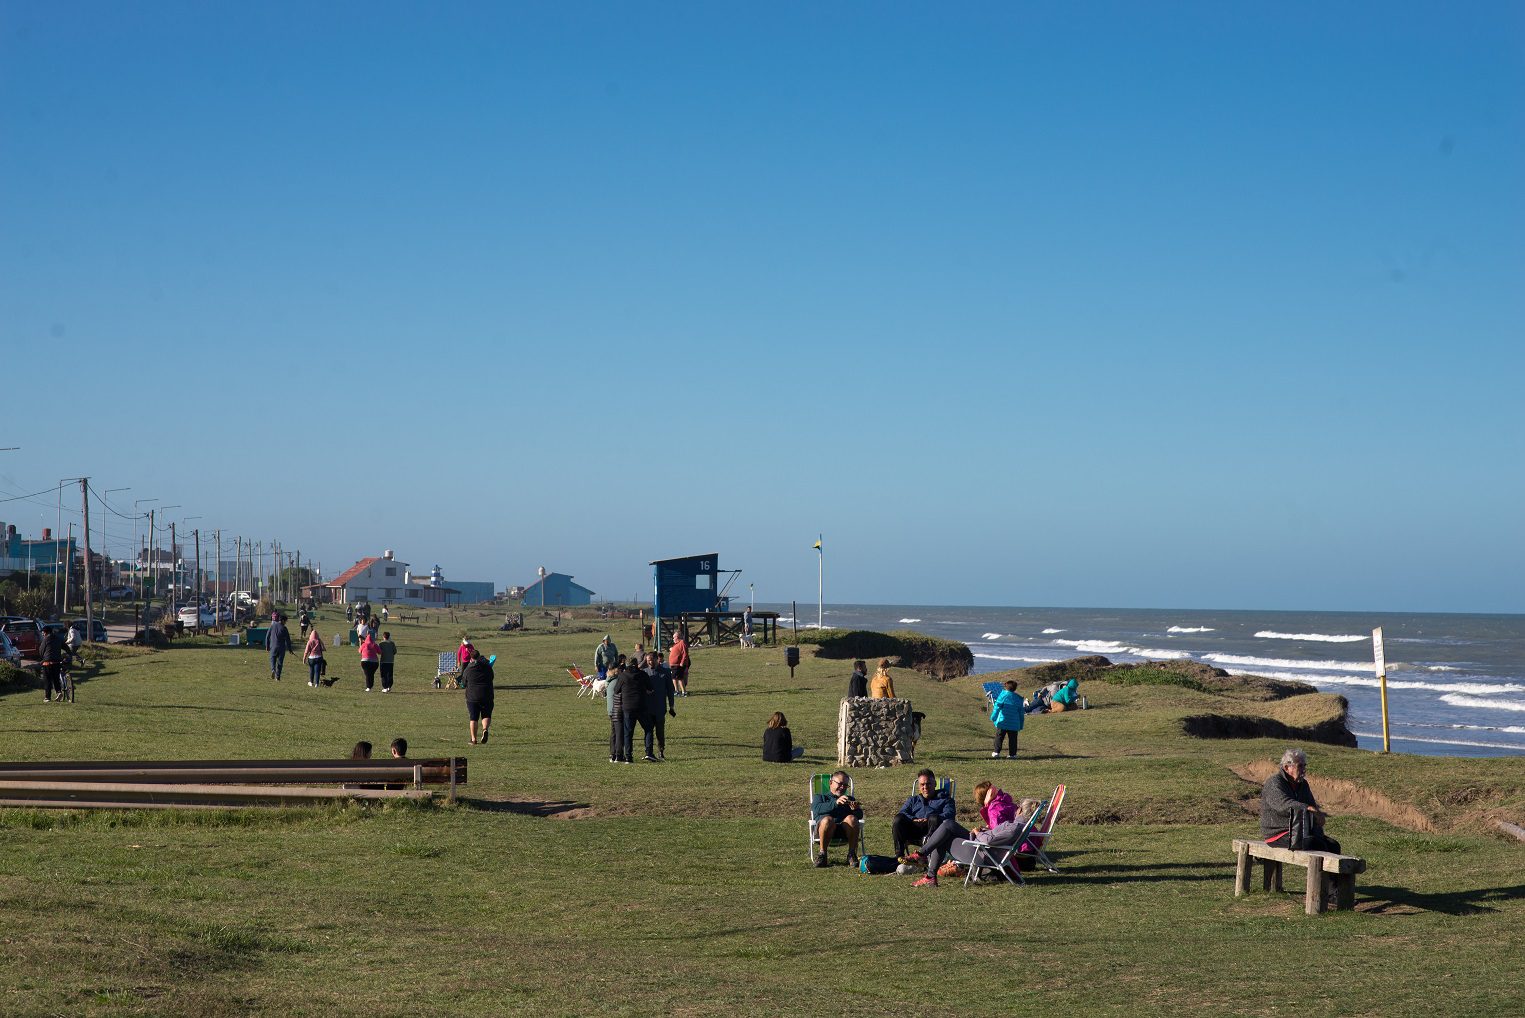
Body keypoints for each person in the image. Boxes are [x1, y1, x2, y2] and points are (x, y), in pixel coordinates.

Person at [1260, 748, 1341, 853]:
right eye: (1300, 766)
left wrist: (1318, 817)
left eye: (1304, 765)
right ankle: (1316, 870)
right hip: (1278, 833)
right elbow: (1283, 804)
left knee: (1333, 846)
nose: (1304, 770)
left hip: (1299, 831)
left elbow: (1312, 805)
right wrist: (1307, 808)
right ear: (1286, 767)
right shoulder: (1274, 783)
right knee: (1316, 845)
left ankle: (1324, 870)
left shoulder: (1303, 784)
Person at [893, 769, 957, 860]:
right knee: (898, 819)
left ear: (935, 784)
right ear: (919, 786)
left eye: (928, 784)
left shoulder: (946, 800)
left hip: (934, 832)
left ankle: (924, 854)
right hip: (914, 830)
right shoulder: (913, 800)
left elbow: (950, 814)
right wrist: (913, 819)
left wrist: (930, 819)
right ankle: (899, 856)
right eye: (922, 784)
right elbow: (902, 812)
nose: (925, 787)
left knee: (934, 818)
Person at [810, 770, 862, 868]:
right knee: (827, 820)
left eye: (845, 785)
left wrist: (855, 810)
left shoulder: (849, 799)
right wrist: (835, 803)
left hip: (844, 831)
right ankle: (822, 855)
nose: (842, 787)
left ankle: (851, 855)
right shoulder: (820, 797)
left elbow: (859, 816)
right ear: (830, 783)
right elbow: (816, 809)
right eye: (840, 784)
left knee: (852, 818)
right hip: (824, 831)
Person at [638, 653, 676, 762]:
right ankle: (648, 752)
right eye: (648, 660)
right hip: (647, 708)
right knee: (648, 731)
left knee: (660, 732)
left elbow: (670, 690)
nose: (650, 662)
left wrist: (671, 706)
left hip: (660, 708)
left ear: (656, 659)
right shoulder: (644, 672)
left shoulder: (665, 672)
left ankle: (661, 751)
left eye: (651, 660)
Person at [460, 647, 495, 745]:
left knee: (473, 718)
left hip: (472, 696)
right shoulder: (487, 667)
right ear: (479, 657)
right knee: (486, 715)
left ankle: (473, 739)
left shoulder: (468, 669)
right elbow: (492, 677)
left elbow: (464, 683)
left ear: (471, 658)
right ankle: (485, 729)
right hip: (487, 695)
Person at [614, 660, 645, 763]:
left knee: (628, 732)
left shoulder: (623, 676)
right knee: (648, 728)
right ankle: (649, 752)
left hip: (627, 707)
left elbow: (616, 690)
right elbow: (650, 687)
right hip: (641, 706)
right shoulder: (642, 674)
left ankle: (628, 757)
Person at [989, 679, 1025, 758]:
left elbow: (997, 707)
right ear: (1015, 688)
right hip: (1014, 724)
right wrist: (1021, 724)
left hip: (1003, 722)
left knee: (999, 737)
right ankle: (1012, 754)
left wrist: (993, 717)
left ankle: (996, 752)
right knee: (1013, 739)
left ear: (1005, 687)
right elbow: (1021, 713)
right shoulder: (1018, 699)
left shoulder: (1002, 696)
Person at [38, 625, 69, 703]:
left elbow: (41, 651)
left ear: (45, 632)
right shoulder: (58, 639)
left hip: (47, 662)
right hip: (57, 662)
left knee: (47, 680)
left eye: (43, 632)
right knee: (56, 679)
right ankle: (59, 692)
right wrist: (69, 653)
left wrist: (43, 657)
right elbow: (65, 647)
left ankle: (47, 697)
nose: (42, 634)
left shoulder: (45, 640)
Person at [605, 657, 627, 763]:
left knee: (613, 732)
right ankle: (619, 754)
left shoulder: (608, 681)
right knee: (619, 732)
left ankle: (612, 754)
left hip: (610, 710)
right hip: (617, 709)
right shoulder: (617, 681)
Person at [266, 612, 292, 682]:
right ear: (283, 620)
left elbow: (267, 636)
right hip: (281, 648)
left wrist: (267, 646)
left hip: (273, 647)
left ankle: (273, 669)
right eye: (286, 621)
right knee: (280, 663)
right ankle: (278, 677)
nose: (286, 623)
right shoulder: (284, 628)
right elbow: (288, 640)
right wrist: (290, 649)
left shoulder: (272, 626)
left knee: (272, 659)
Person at [668, 628, 690, 697]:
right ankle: (677, 691)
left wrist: (682, 662)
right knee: (674, 678)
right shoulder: (676, 644)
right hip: (673, 664)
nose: (673, 639)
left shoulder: (682, 642)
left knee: (679, 678)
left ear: (677, 637)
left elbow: (685, 653)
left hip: (678, 665)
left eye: (674, 637)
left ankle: (683, 691)